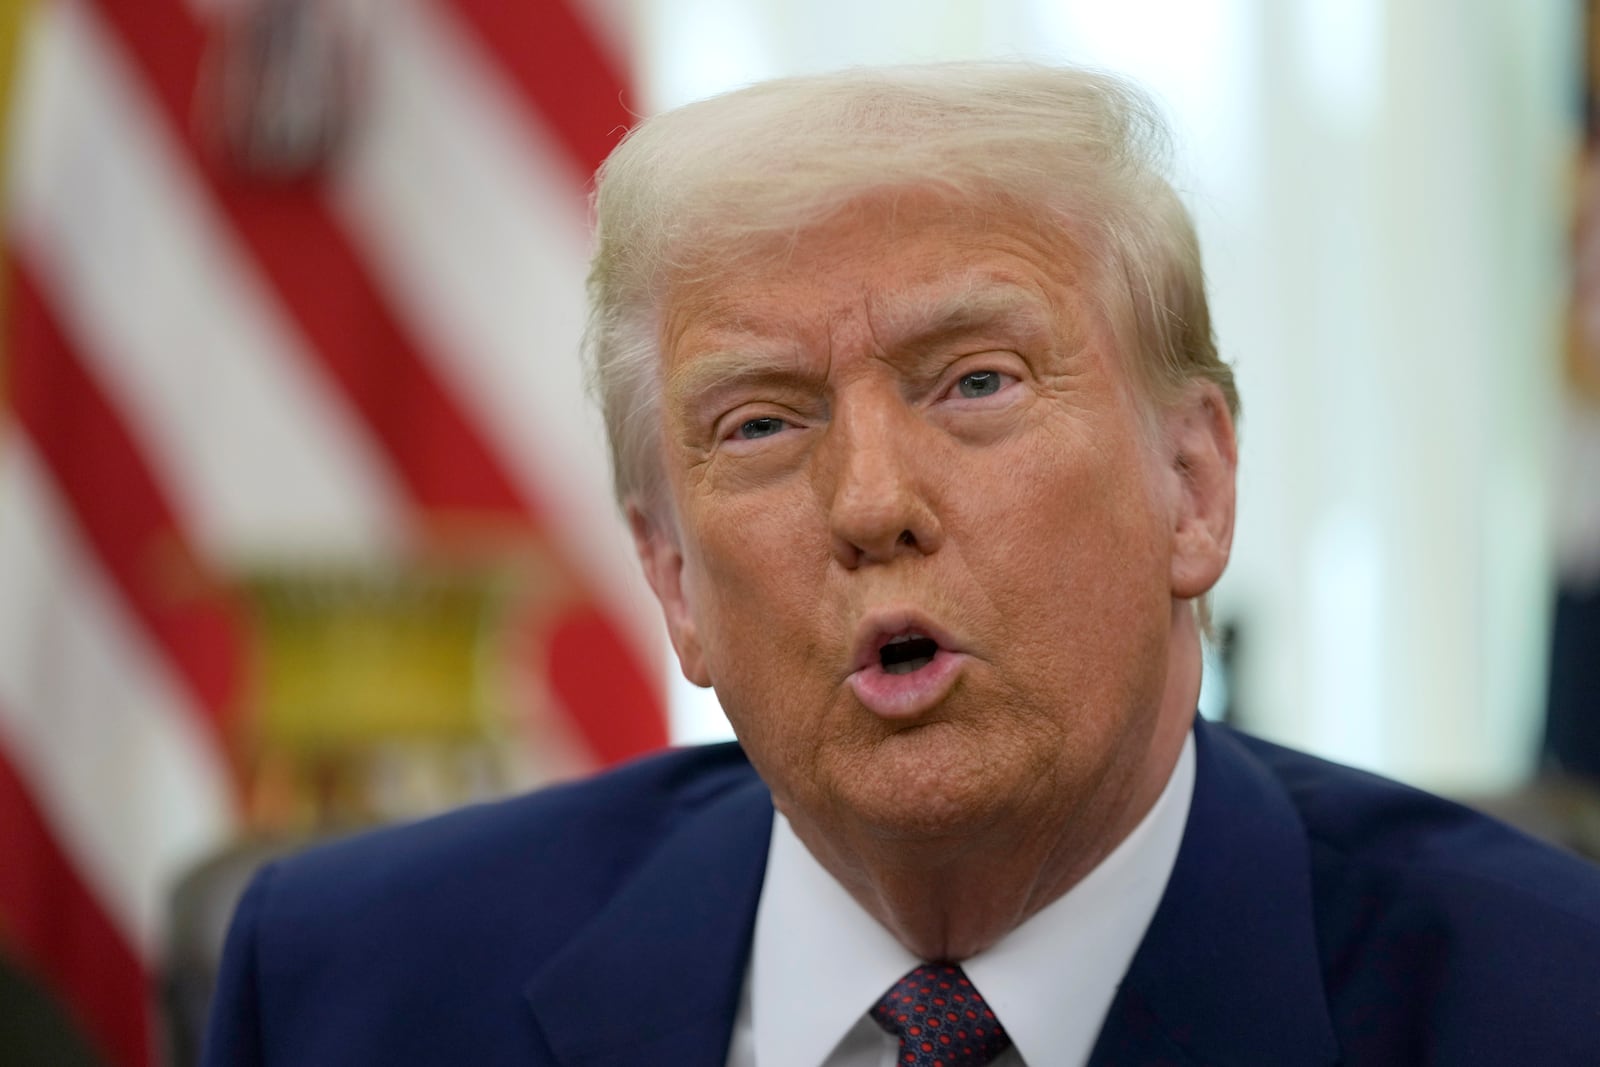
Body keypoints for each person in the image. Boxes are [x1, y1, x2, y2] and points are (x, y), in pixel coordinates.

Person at [203, 63, 1600, 1067]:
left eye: (975, 383)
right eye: (759, 422)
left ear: (1193, 485)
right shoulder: (352, 990)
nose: (871, 503)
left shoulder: (1548, 1000)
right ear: (675, 579)